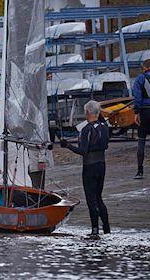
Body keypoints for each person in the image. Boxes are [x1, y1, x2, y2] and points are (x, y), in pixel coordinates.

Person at [60, 100, 110, 236]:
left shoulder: (86, 130)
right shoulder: (105, 127)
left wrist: (67, 145)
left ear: (87, 112)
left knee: (91, 199)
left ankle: (94, 230)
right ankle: (107, 228)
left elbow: (83, 151)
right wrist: (97, 111)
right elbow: (100, 118)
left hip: (89, 167)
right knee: (99, 197)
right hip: (102, 165)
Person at [131, 59, 150, 179]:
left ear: (145, 68)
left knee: (141, 141)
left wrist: (136, 112)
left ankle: (140, 170)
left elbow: (137, 97)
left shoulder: (140, 79)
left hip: (145, 112)